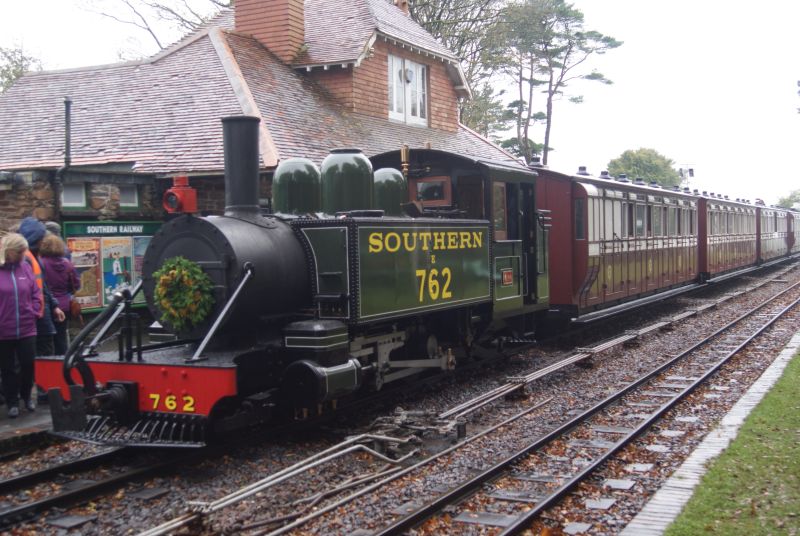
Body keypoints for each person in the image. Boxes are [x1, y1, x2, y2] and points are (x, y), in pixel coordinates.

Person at [0, 233, 42, 417]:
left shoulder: (25, 268)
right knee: (8, 368)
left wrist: (35, 311)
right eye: (20, 251)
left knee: (28, 364)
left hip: (27, 327)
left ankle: (26, 396)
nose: (24, 254)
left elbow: (36, 292)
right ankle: (12, 402)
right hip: (3, 330)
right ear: (10, 251)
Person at [18, 217, 65, 359]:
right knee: (42, 357)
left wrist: (54, 306)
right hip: (35, 318)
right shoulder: (25, 259)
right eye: (41, 237)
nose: (44, 241)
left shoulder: (34, 258)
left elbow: (42, 286)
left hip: (40, 316)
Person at [39, 233, 81, 355]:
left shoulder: (41, 263)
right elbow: (76, 285)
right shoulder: (67, 263)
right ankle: (62, 363)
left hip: (47, 306)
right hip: (64, 305)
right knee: (61, 337)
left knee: (46, 340)